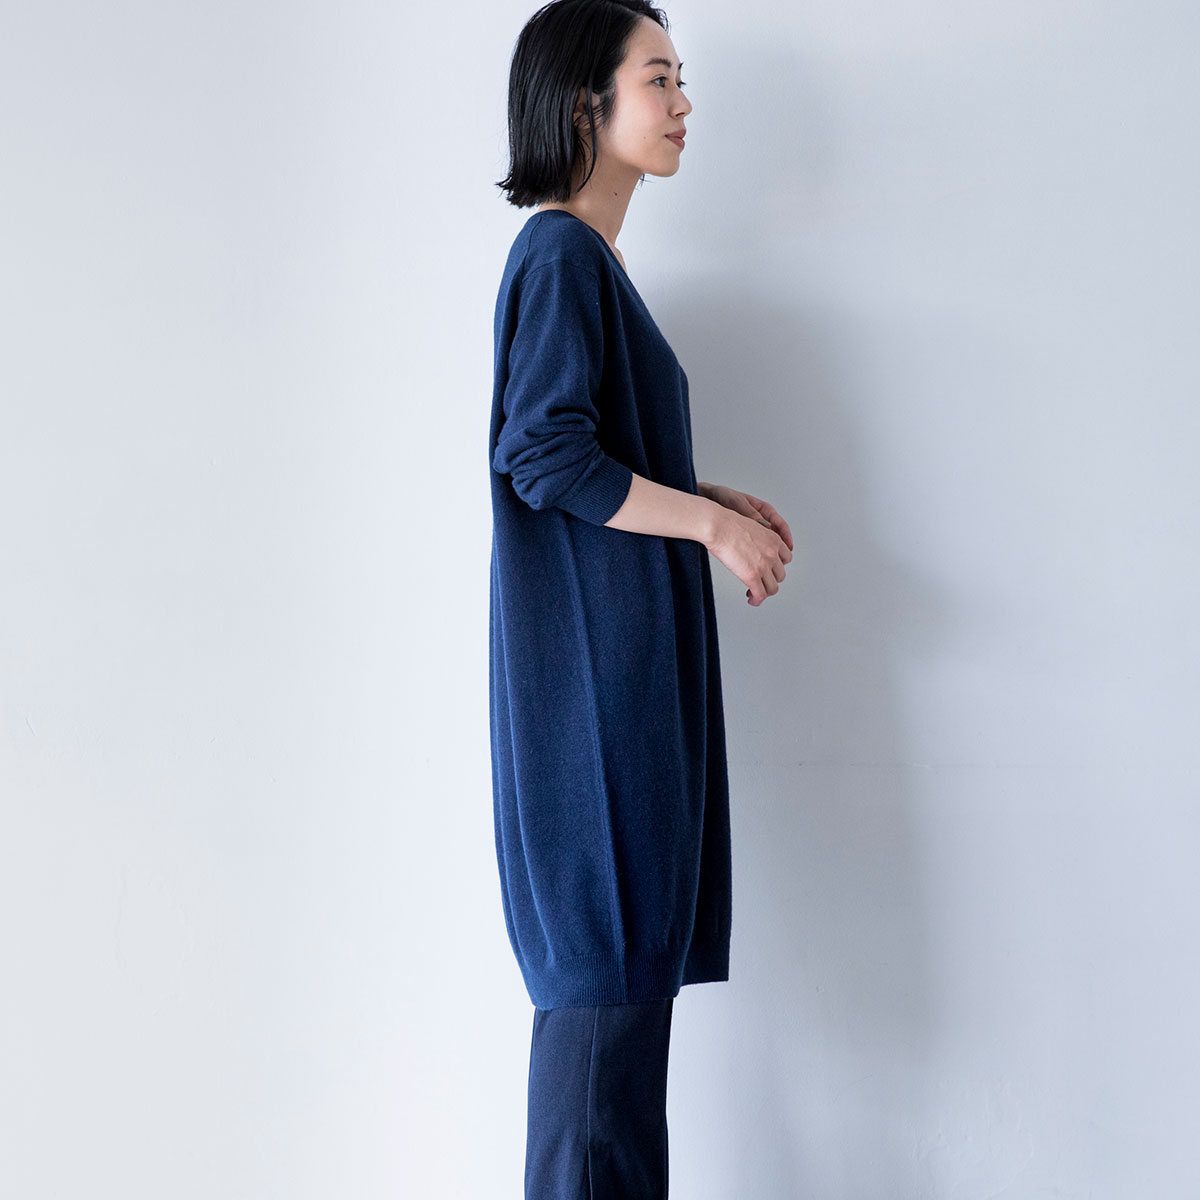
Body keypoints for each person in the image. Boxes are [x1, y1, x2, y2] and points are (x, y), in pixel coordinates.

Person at [488, 2, 793, 1195]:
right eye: (657, 78)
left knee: (615, 1090)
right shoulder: (562, 255)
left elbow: (585, 454)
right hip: (595, 725)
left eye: (680, 78)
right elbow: (543, 453)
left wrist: (704, 494)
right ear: (585, 105)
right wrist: (709, 526)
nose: (682, 103)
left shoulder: (590, 268)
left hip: (620, 716)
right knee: (597, 1090)